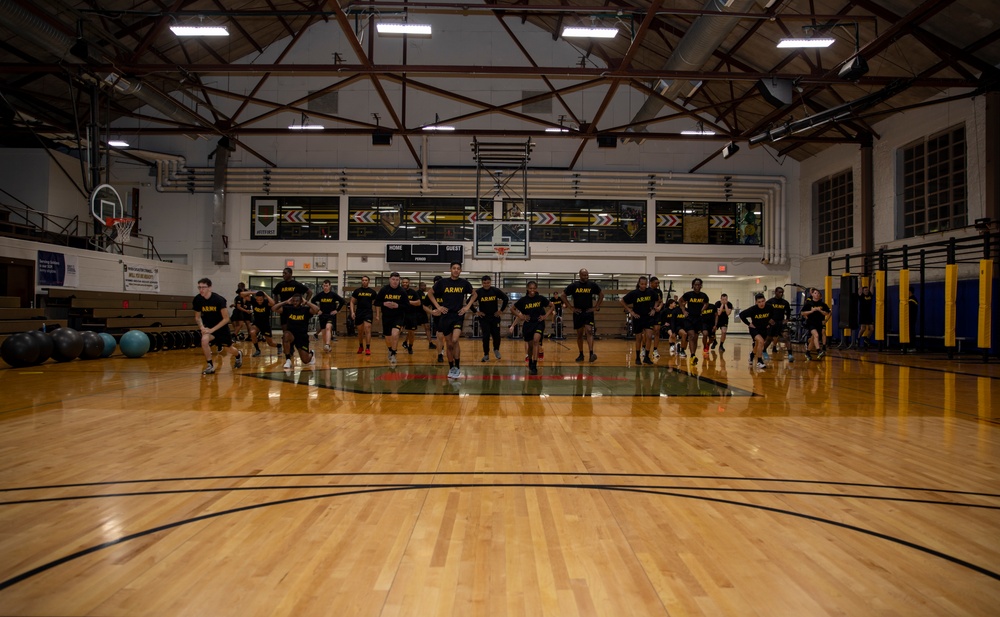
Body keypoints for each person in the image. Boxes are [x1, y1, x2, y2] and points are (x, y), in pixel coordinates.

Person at [428, 262, 477, 379]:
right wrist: (438, 307)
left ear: (460, 271)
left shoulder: (464, 283)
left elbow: (475, 294)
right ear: (450, 269)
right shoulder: (442, 283)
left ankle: (458, 367)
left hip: (458, 315)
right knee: (449, 344)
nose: (456, 270)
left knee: (455, 340)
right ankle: (452, 368)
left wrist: (467, 306)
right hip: (445, 316)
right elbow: (430, 293)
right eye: (454, 268)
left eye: (458, 269)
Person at [193, 278, 243, 375]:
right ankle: (210, 366)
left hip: (221, 328)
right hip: (209, 328)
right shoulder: (198, 299)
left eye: (204, 287)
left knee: (229, 349)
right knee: (204, 341)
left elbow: (226, 319)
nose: (201, 290)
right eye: (199, 287)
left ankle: (238, 355)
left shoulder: (219, 300)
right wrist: (202, 327)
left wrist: (212, 330)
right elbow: (197, 317)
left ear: (210, 288)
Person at [509, 281, 553, 376]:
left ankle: (534, 364)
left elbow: (552, 306)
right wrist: (521, 317)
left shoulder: (541, 298)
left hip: (539, 323)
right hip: (528, 325)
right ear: (527, 289)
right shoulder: (523, 300)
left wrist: (545, 316)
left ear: (536, 289)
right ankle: (529, 360)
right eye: (530, 288)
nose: (532, 290)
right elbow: (512, 309)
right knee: (530, 346)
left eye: (534, 288)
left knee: (536, 341)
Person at [562, 268, 604, 363]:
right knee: (579, 334)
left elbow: (601, 295)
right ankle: (581, 354)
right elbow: (563, 295)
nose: (586, 277)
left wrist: (596, 307)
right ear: (580, 275)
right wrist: (570, 307)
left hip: (588, 311)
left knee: (589, 331)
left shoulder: (592, 285)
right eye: (584, 275)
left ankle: (591, 354)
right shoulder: (574, 285)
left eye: (587, 275)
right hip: (578, 312)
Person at [272, 293, 319, 369]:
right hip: (291, 335)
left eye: (297, 301)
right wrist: (285, 302)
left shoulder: (305, 310)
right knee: (286, 335)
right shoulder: (288, 309)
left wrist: (306, 302)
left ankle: (311, 354)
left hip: (302, 337)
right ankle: (288, 360)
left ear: (301, 301)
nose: (295, 302)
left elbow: (316, 309)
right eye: (293, 301)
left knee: (305, 360)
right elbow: (274, 308)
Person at [272, 268, 310, 354]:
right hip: (284, 309)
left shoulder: (296, 284)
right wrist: (277, 302)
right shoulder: (280, 285)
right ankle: (290, 349)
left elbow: (309, 292)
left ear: (290, 274)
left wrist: (304, 303)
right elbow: (275, 293)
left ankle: (296, 345)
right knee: (285, 331)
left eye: (285, 273)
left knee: (294, 329)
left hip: (295, 310)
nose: (283, 275)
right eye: (283, 273)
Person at [621, 276, 658, 365]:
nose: (643, 286)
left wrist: (654, 309)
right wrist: (630, 311)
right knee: (639, 338)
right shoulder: (634, 293)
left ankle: (646, 357)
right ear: (638, 284)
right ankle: (637, 357)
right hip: (638, 317)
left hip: (648, 317)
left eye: (645, 284)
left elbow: (657, 300)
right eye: (642, 284)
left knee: (649, 336)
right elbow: (622, 301)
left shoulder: (650, 292)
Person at [374, 272, 407, 365]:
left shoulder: (402, 291)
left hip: (398, 316)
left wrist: (397, 306)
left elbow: (407, 306)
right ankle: (390, 349)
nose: (395, 282)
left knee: (395, 334)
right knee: (388, 337)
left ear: (399, 280)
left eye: (397, 280)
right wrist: (384, 304)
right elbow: (376, 302)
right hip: (386, 317)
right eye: (393, 279)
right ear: (389, 280)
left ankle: (393, 354)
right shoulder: (384, 290)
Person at [475, 275, 509, 362]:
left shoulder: (495, 290)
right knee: (485, 337)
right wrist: (476, 312)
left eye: (488, 283)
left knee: (496, 335)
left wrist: (501, 310)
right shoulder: (478, 292)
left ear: (490, 282)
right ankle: (486, 354)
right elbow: (469, 302)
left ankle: (496, 349)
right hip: (484, 318)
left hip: (494, 317)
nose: (486, 285)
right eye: (484, 283)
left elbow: (505, 298)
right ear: (482, 283)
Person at [679, 278, 711, 365]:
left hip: (698, 318)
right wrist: (684, 310)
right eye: (695, 285)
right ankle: (692, 355)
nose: (697, 286)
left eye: (698, 285)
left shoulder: (703, 295)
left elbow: (707, 303)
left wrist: (702, 309)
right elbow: (680, 301)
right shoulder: (688, 294)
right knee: (692, 336)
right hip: (689, 318)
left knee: (696, 338)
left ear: (701, 286)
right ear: (693, 285)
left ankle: (693, 355)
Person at [739, 293, 772, 369]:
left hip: (764, 329)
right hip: (754, 329)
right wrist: (748, 323)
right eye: (759, 302)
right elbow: (741, 315)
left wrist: (769, 324)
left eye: (762, 301)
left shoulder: (769, 308)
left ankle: (752, 354)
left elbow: (772, 316)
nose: (761, 304)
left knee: (757, 344)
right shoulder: (753, 309)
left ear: (765, 301)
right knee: (761, 341)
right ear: (756, 302)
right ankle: (759, 361)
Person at [312, 279, 344, 352]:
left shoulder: (333, 295)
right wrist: (318, 310)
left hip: (330, 315)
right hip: (322, 315)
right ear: (322, 286)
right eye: (324, 286)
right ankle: (326, 346)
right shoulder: (320, 295)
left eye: (327, 286)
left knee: (328, 327)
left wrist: (337, 310)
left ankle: (327, 344)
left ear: (330, 286)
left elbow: (342, 301)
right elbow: (313, 301)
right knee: (323, 332)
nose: (325, 287)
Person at [801, 288, 831, 360]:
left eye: (818, 293)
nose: (816, 295)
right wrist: (811, 311)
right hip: (811, 322)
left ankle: (808, 352)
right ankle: (819, 351)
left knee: (813, 339)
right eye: (815, 293)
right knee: (816, 335)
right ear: (812, 294)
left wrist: (820, 311)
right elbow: (802, 313)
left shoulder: (823, 304)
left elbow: (827, 313)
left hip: (819, 323)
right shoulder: (809, 304)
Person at [765, 287, 793, 362]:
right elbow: (765, 312)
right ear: (776, 292)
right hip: (773, 323)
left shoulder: (785, 302)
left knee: (786, 337)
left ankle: (790, 354)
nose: (781, 294)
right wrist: (768, 319)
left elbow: (788, 312)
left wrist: (787, 319)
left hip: (781, 322)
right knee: (769, 339)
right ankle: (764, 350)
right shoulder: (770, 302)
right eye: (779, 292)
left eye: (782, 292)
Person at [350, 275, 376, 356]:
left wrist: (377, 314)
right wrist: (352, 312)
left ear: (369, 282)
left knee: (367, 329)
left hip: (368, 312)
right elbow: (352, 302)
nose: (364, 281)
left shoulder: (372, 292)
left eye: (366, 280)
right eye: (363, 280)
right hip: (359, 312)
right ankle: (361, 346)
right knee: (360, 331)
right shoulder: (357, 291)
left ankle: (368, 348)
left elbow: (376, 304)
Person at [424, 276, 448, 362]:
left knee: (448, 337)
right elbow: (424, 305)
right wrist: (431, 312)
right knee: (439, 336)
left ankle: (444, 350)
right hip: (438, 318)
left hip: (448, 317)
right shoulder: (431, 294)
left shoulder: (447, 293)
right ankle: (440, 354)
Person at [248, 290, 278, 357]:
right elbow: (242, 294)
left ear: (263, 298)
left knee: (270, 343)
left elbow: (273, 303)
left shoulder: (267, 302)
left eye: (261, 300)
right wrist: (253, 292)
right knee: (252, 332)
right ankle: (257, 350)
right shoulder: (254, 301)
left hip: (265, 325)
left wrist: (266, 294)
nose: (259, 302)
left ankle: (279, 346)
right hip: (257, 324)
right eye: (258, 300)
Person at [400, 278, 424, 355]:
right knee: (396, 332)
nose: (405, 284)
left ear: (409, 283)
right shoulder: (398, 291)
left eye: (406, 282)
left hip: (411, 314)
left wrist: (408, 302)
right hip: (400, 314)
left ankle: (410, 347)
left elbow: (418, 302)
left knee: (411, 332)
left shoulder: (413, 292)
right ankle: (393, 349)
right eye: (403, 282)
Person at [647, 277, 665, 359]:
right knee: (648, 334)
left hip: (657, 313)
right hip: (649, 314)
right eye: (656, 283)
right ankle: (644, 348)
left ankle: (655, 350)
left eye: (658, 283)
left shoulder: (659, 292)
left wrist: (660, 307)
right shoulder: (647, 291)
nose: (657, 285)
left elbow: (661, 301)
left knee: (657, 331)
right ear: (651, 283)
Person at [416, 281, 437, 350]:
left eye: (425, 286)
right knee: (411, 329)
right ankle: (406, 342)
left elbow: (425, 303)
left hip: (423, 313)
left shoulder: (423, 294)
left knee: (427, 327)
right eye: (423, 286)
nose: (424, 287)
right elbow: (419, 304)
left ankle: (430, 343)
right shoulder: (417, 293)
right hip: (417, 313)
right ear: (420, 286)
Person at [906, 287, 919, 352]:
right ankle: (908, 346)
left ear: (909, 291)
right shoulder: (909, 300)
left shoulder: (912, 300)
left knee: (911, 333)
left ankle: (912, 347)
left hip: (911, 319)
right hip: (908, 319)